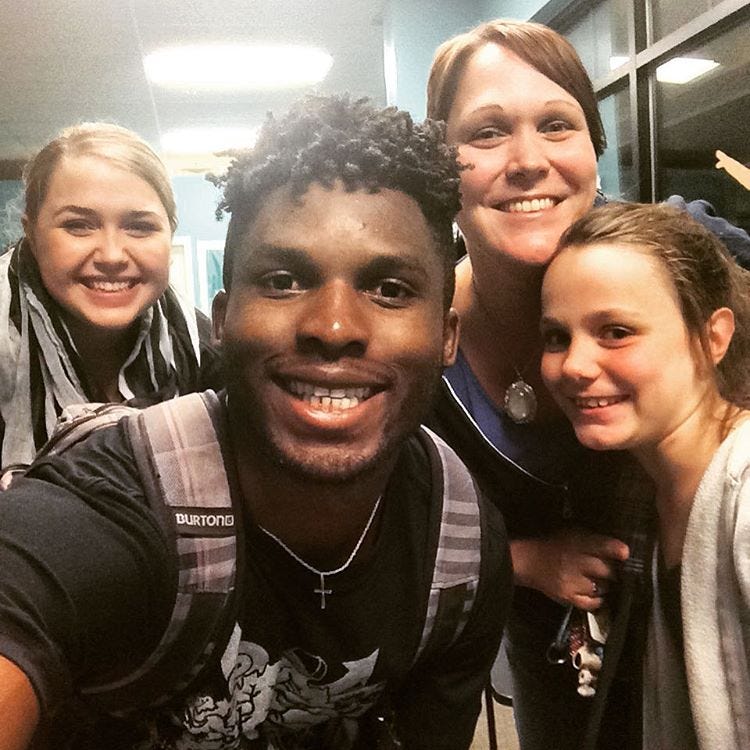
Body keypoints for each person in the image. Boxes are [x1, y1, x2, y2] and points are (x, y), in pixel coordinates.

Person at [0, 95, 511, 750]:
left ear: (446, 335)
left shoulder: (460, 547)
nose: (333, 326)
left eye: (389, 289)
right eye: (283, 280)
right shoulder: (122, 499)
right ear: (223, 321)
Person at [424, 18, 750, 749]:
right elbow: (376, 534)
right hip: (561, 665)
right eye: (486, 133)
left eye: (556, 124)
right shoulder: (416, 334)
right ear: (441, 166)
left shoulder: (681, 256)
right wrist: (522, 560)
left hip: (717, 611)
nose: (527, 160)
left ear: (594, 148)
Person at [540, 201, 750, 750]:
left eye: (616, 331)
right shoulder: (653, 495)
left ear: (713, 337)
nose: (574, 366)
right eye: (557, 337)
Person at [0, 122, 220, 469]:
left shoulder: (200, 348)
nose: (112, 255)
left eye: (140, 226)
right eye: (78, 225)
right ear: (33, 235)